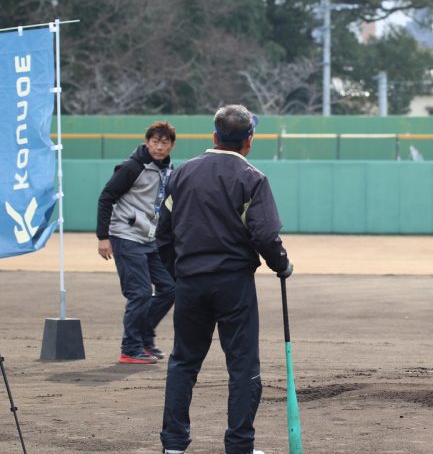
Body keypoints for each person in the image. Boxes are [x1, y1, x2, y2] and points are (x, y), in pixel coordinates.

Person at [158, 104, 292, 454]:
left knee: (184, 362)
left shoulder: (181, 173)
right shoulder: (252, 177)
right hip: (233, 283)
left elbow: (163, 236)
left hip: (190, 281)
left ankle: (173, 445)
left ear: (214, 136)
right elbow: (264, 235)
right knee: (243, 365)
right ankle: (239, 446)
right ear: (248, 140)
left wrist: (180, 271)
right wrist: (281, 265)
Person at [97, 121, 177, 364]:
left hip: (149, 238)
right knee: (140, 293)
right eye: (155, 141)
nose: (159, 147)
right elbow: (106, 197)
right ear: (147, 142)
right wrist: (103, 236)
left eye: (164, 143)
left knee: (170, 288)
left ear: (171, 145)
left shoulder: (168, 169)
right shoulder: (133, 167)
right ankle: (130, 348)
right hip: (125, 236)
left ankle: (143, 337)